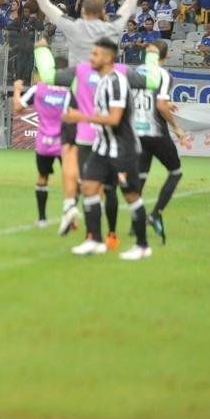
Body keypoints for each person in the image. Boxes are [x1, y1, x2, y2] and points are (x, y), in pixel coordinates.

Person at [26, 0, 148, 234]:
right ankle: (111, 223)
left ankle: (70, 206)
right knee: (108, 163)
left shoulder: (74, 26)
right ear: (104, 11)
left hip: (78, 95)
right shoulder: (113, 26)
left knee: (70, 155)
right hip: (107, 97)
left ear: (82, 10)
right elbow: (129, 5)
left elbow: (45, 6)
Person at [62, 37, 151, 260]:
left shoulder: (117, 82)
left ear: (108, 58)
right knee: (89, 187)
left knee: (131, 196)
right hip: (102, 147)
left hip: (123, 150)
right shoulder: (102, 81)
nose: (91, 58)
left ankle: (142, 246)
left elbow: (114, 119)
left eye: (95, 55)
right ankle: (95, 240)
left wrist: (79, 116)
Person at [131, 41, 186, 244]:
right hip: (156, 131)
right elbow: (160, 106)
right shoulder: (163, 75)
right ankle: (155, 214)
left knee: (141, 174)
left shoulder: (137, 70)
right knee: (176, 172)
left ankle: (134, 221)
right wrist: (177, 128)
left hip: (137, 130)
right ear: (167, 55)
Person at [12, 75, 69, 228]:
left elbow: (18, 107)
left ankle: (42, 218)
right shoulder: (69, 91)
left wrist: (17, 90)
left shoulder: (39, 89)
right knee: (70, 178)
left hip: (45, 143)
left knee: (42, 177)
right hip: (65, 142)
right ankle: (69, 214)